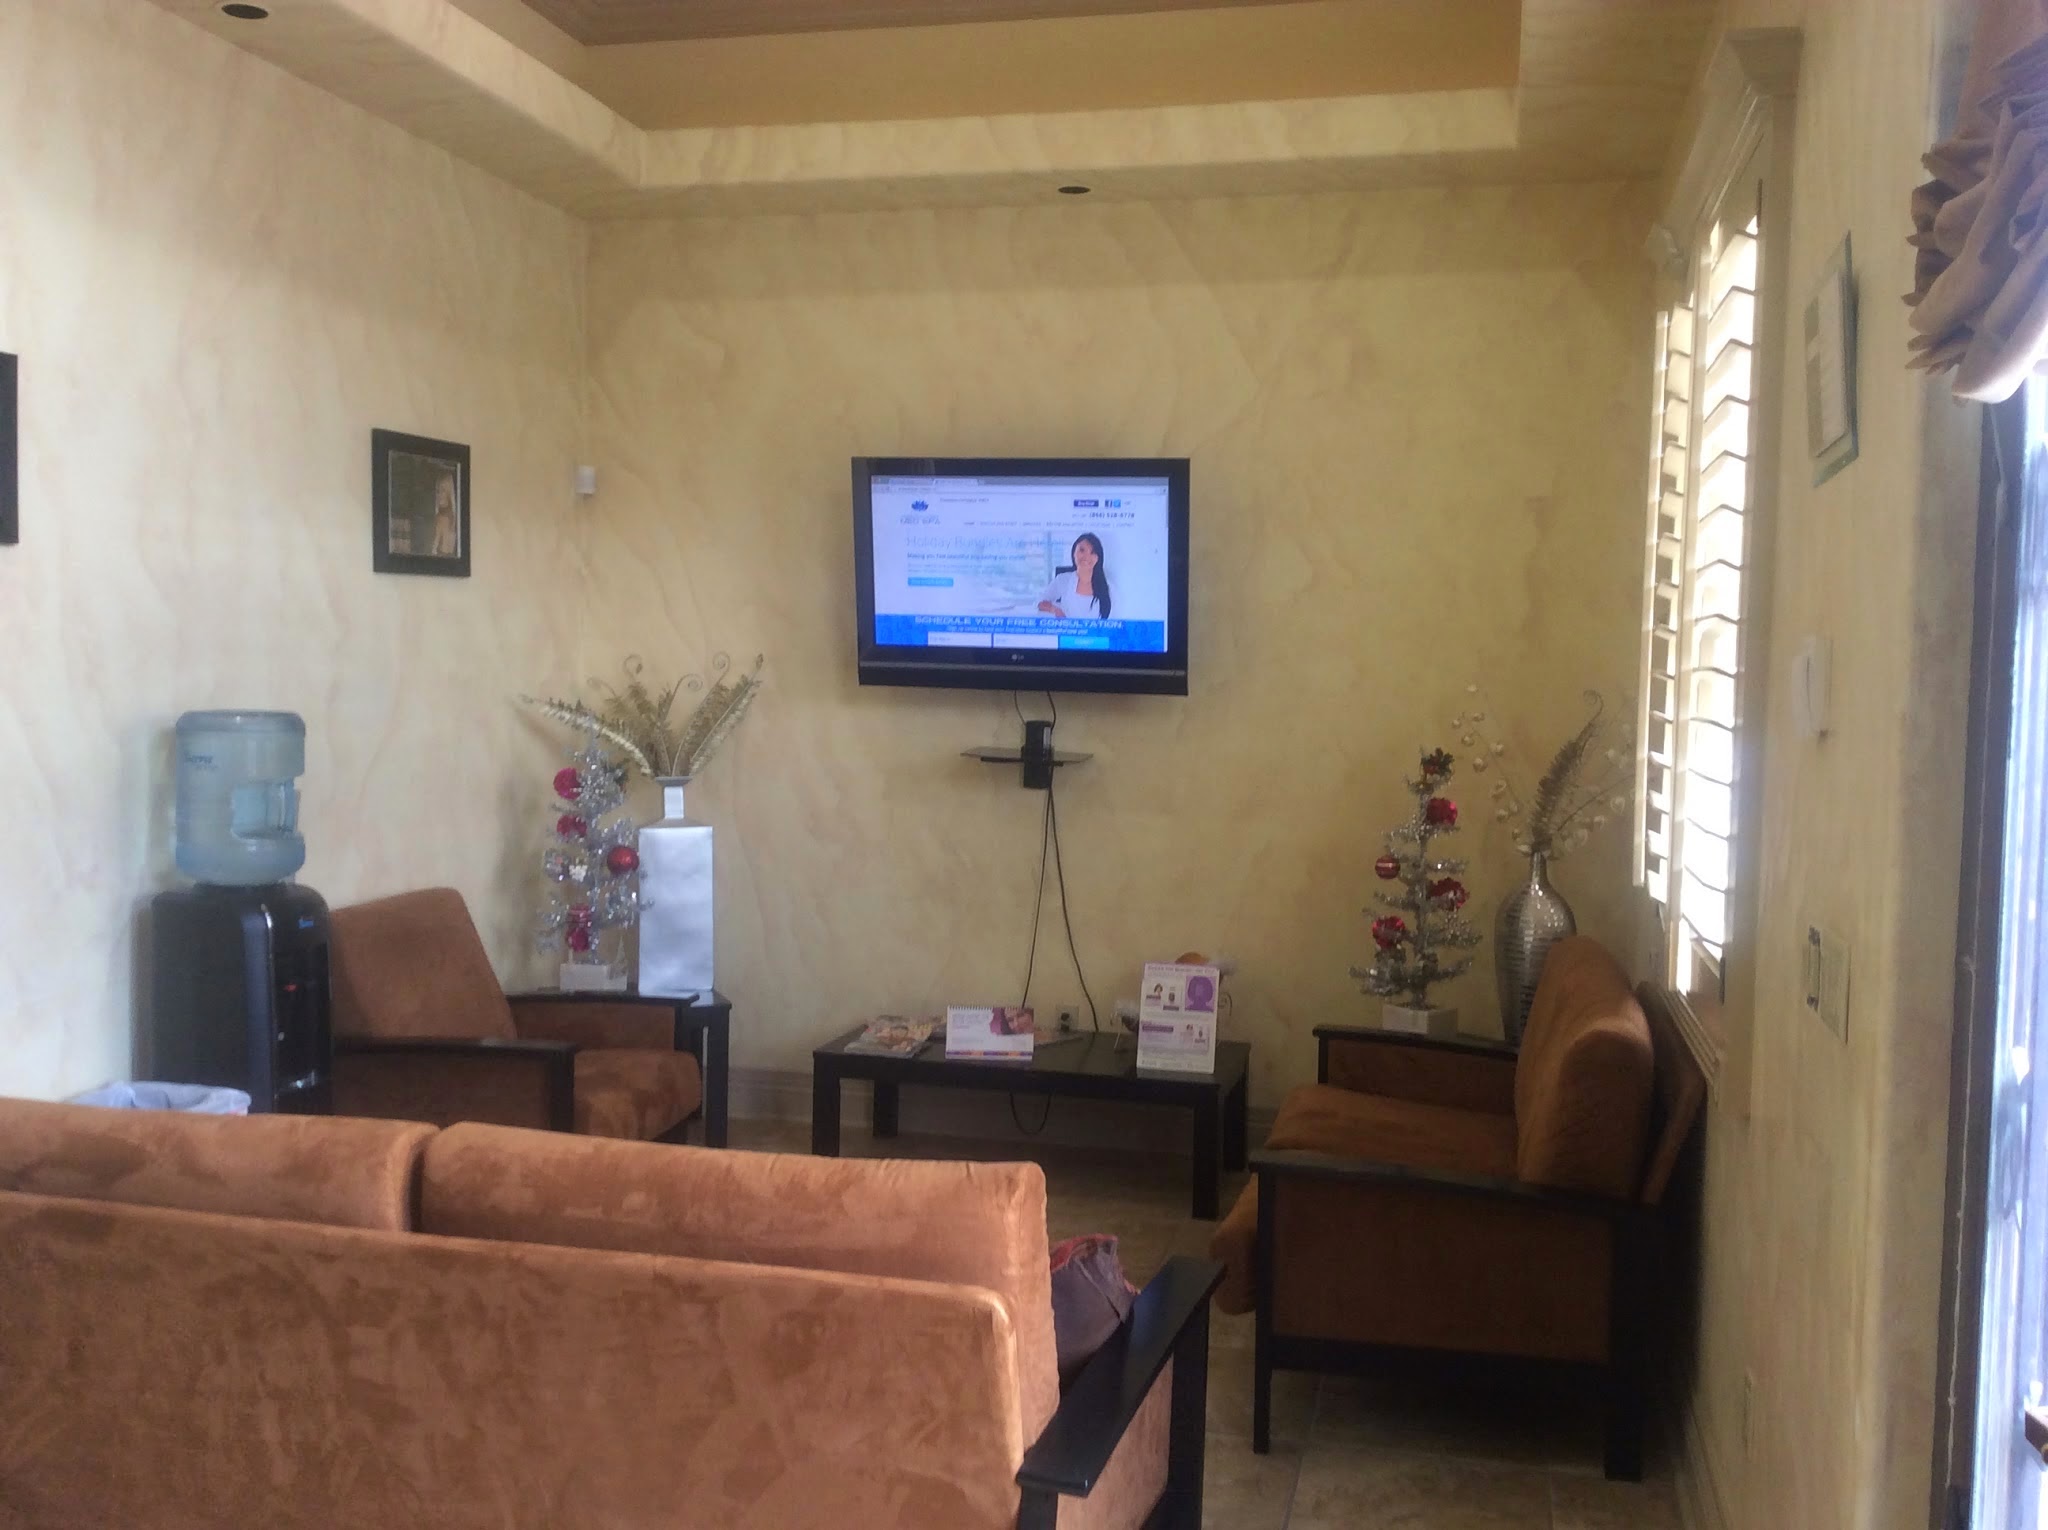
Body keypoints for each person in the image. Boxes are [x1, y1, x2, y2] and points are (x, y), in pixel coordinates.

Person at [1036, 532, 1112, 619]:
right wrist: (1055, 610)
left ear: (1098, 558)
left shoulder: (1109, 587)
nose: (1086, 556)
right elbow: (1040, 602)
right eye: (1082, 550)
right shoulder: (1063, 580)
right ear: (1074, 552)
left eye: (1092, 552)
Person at [429, 469, 460, 557]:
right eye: (438, 491)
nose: (439, 495)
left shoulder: (442, 517)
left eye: (443, 490)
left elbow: (434, 550)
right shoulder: (453, 517)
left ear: (449, 492)